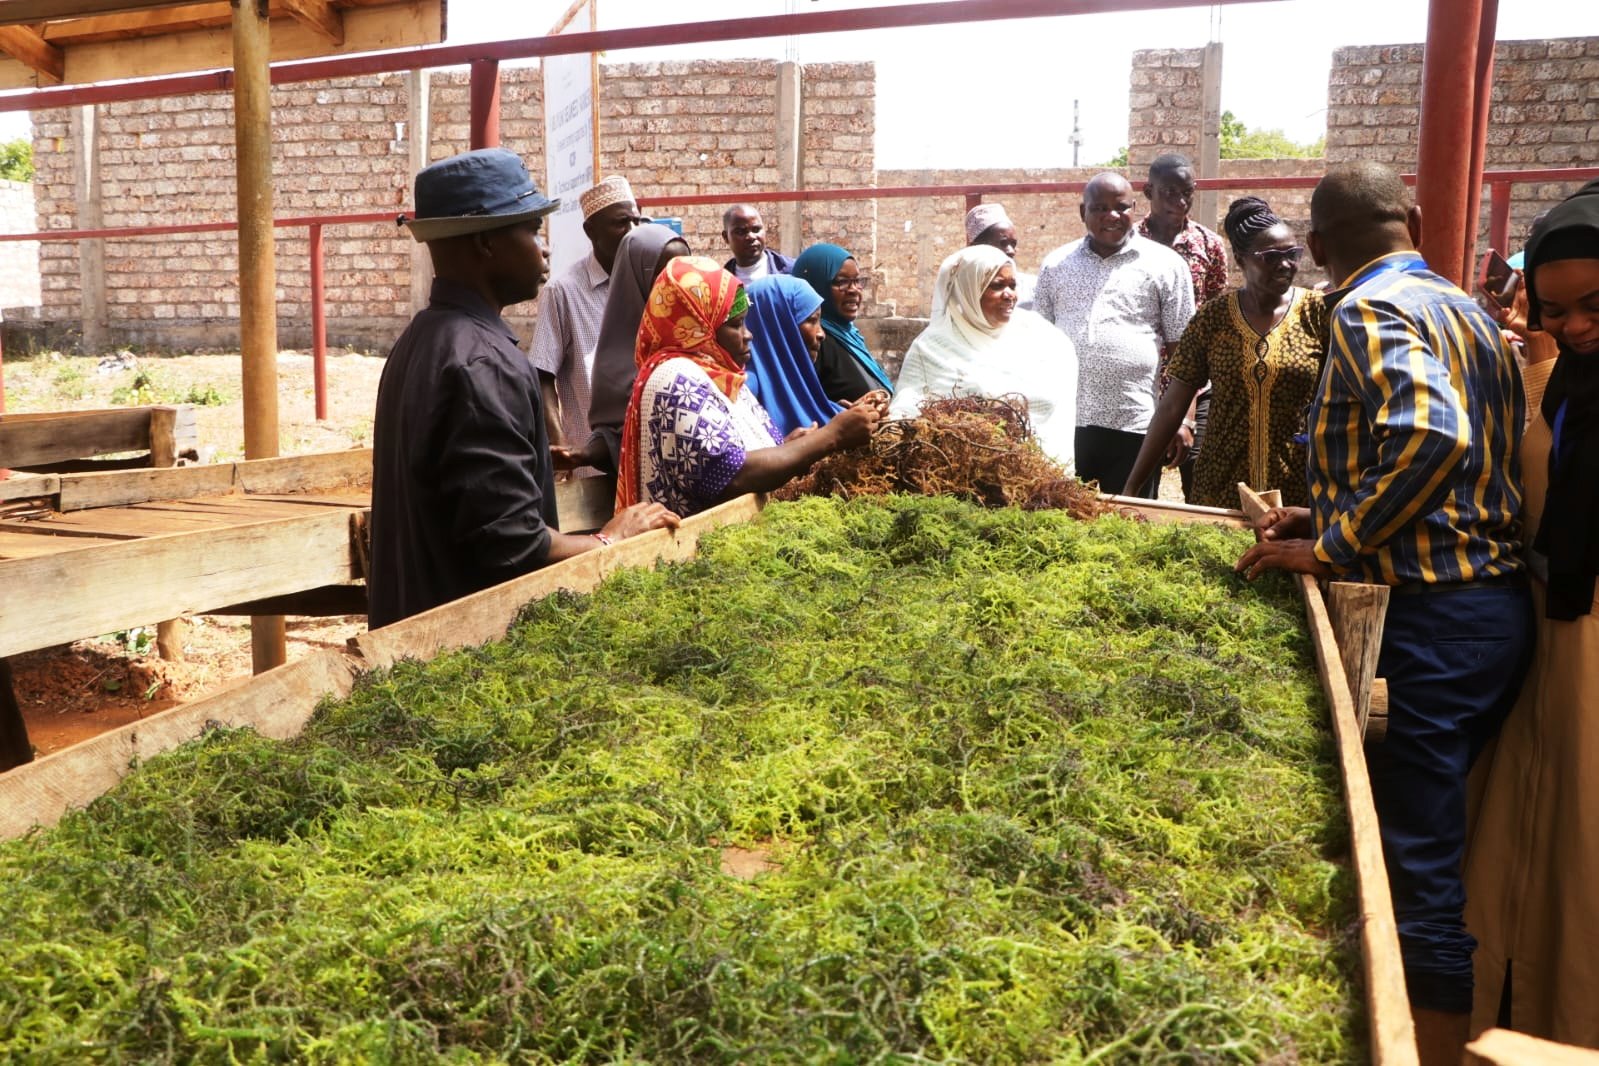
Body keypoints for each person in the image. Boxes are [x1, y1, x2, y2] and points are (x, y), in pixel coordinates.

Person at [1235, 161, 1531, 1066]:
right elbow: (1465, 458)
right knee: (1420, 838)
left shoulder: (1359, 309)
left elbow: (1431, 436)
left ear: (1317, 248)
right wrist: (1324, 516)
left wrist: (1330, 547)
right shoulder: (1468, 309)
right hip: (1489, 608)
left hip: (1437, 616)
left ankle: (1425, 1049)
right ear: (1409, 216)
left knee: (1410, 864)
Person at [370, 149, 678, 628]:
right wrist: (613, 540)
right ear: (487, 244)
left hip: (410, 635)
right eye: (532, 230)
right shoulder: (485, 363)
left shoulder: (419, 340)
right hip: (460, 656)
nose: (546, 248)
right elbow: (513, 545)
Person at [1464, 179, 1599, 1048]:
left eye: (1595, 305)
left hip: (1589, 664)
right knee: (1517, 852)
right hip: (1541, 646)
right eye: (1554, 309)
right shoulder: (1553, 390)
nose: (1577, 326)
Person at [618, 256, 884, 517]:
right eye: (735, 325)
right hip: (691, 550)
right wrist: (831, 436)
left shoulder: (719, 374)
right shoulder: (676, 378)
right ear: (699, 327)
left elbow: (738, 451)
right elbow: (731, 475)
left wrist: (790, 444)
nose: (748, 334)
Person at [1121, 196, 1326, 507]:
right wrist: (1132, 487)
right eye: (1271, 256)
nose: (1285, 265)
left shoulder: (1316, 313)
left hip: (1296, 492)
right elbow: (1172, 405)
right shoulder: (1214, 319)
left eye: (1292, 254)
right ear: (1241, 260)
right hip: (1222, 488)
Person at [1034, 171, 1194, 498]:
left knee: (1130, 525)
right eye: (1099, 208)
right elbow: (1039, 344)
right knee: (1066, 522)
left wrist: (1184, 419)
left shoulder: (1166, 265)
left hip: (1136, 426)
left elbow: (1187, 356)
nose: (1112, 216)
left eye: (1121, 207)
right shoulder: (1056, 265)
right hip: (1067, 424)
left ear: (1135, 208)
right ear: (1083, 213)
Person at [891, 244, 1077, 470]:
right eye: (997, 286)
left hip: (1038, 476)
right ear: (969, 289)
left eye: (1012, 285)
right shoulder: (933, 346)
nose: (1010, 295)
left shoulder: (1041, 337)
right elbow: (907, 413)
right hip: (961, 476)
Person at [529, 175, 642, 479]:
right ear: (590, 231)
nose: (632, 232)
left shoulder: (648, 282)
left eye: (636, 221)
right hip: (593, 466)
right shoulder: (563, 291)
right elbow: (541, 376)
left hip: (645, 458)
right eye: (621, 223)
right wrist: (561, 446)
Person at [1137, 153, 1231, 502]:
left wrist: (1187, 416)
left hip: (1195, 388)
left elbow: (1214, 318)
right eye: (1168, 192)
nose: (1179, 202)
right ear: (1148, 191)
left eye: (1187, 193)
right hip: (1142, 388)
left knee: (1199, 489)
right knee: (1141, 491)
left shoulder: (1209, 246)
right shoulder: (1129, 244)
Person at [563, 223, 690, 474]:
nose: (676, 286)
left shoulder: (700, 336)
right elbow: (616, 435)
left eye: (684, 272)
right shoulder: (615, 362)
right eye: (664, 276)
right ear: (638, 277)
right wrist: (585, 453)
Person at [791, 243, 896, 404]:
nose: (854, 290)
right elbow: (806, 407)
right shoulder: (815, 341)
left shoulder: (849, 336)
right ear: (815, 285)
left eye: (857, 281)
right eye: (841, 282)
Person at [742, 273, 844, 438]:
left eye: (819, 321)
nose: (821, 334)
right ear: (779, 327)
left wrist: (841, 412)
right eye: (811, 320)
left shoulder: (794, 380)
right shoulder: (746, 392)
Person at [964, 202, 1036, 310]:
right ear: (977, 247)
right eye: (1003, 243)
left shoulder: (1032, 287)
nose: (1011, 251)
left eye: (1013, 244)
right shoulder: (962, 291)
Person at [722, 204, 793, 283]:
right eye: (741, 232)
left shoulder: (792, 272)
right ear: (726, 237)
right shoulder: (721, 283)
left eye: (756, 229)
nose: (751, 237)